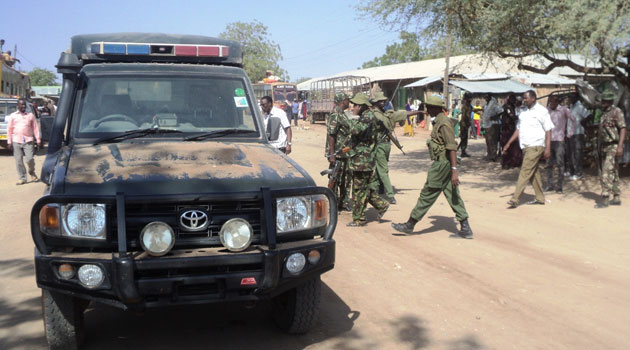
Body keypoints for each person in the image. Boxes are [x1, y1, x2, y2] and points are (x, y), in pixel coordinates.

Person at [391, 96, 473, 239]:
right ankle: (465, 227)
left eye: (429, 107)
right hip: (444, 164)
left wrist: (454, 171)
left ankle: (410, 224)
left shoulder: (443, 124)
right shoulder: (439, 122)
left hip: (442, 165)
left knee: (427, 194)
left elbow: (452, 147)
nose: (427, 110)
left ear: (436, 108)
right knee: (452, 194)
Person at [370, 92, 425, 204]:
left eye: (383, 101)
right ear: (376, 103)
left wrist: (420, 111)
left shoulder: (380, 114)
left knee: (382, 170)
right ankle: (377, 189)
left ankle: (390, 195)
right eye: (380, 101)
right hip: (384, 145)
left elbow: (406, 113)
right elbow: (405, 113)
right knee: (379, 169)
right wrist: (420, 111)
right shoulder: (387, 114)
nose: (383, 103)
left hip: (381, 145)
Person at [344, 92, 389, 227]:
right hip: (362, 158)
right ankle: (381, 205)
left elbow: (354, 130)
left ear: (361, 106)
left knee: (358, 189)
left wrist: (353, 116)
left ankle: (359, 218)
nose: (353, 107)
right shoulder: (366, 115)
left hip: (362, 160)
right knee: (364, 187)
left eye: (356, 105)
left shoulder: (367, 117)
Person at [504, 90, 553, 208]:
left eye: (526, 98)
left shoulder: (542, 111)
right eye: (523, 98)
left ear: (533, 98)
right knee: (533, 173)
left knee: (525, 171)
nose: (524, 100)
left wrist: (548, 148)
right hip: (525, 146)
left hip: (536, 146)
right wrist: (509, 143)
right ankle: (540, 198)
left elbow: (548, 130)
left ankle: (515, 198)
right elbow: (518, 129)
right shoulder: (523, 112)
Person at [594, 90, 626, 208]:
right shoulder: (604, 114)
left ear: (609, 101)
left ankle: (605, 197)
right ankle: (616, 196)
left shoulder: (616, 112)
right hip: (604, 146)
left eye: (604, 100)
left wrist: (620, 146)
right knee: (612, 171)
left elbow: (623, 128)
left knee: (607, 171)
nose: (602, 102)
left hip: (613, 145)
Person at [326, 92, 353, 211]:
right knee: (335, 179)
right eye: (348, 100)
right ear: (343, 101)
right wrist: (332, 154)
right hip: (337, 153)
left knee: (346, 178)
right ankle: (333, 203)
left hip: (345, 152)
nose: (349, 102)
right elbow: (331, 135)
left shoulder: (343, 114)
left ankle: (344, 202)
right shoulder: (336, 114)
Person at [544, 95, 575, 193]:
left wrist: (570, 134)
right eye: (550, 102)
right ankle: (550, 185)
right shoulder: (546, 111)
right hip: (548, 141)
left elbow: (573, 120)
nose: (552, 104)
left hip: (559, 140)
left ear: (557, 102)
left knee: (560, 164)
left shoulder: (564, 110)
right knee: (549, 164)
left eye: (554, 102)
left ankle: (559, 186)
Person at [7, 98, 41, 185]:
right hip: (16, 140)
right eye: (21, 104)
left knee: (29, 159)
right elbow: (9, 129)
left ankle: (31, 172)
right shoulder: (13, 116)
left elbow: (35, 128)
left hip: (28, 140)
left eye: (24, 105)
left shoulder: (30, 115)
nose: (23, 106)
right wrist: (9, 141)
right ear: (17, 105)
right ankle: (22, 178)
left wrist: (38, 139)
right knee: (18, 160)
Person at [567, 93, 591, 180]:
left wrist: (583, 122)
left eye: (573, 97)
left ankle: (579, 173)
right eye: (570, 97)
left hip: (578, 133)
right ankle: (572, 172)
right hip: (570, 134)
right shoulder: (571, 106)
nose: (571, 99)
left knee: (577, 154)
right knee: (571, 154)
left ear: (577, 98)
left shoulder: (580, 106)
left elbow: (589, 115)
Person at [500, 94, 522, 169]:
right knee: (506, 146)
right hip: (506, 129)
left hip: (511, 129)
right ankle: (505, 163)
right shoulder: (508, 107)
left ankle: (512, 162)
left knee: (513, 146)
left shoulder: (513, 107)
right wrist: (521, 117)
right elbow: (511, 116)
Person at [482, 94, 502, 161]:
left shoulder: (493, 104)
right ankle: (489, 154)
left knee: (493, 141)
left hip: (493, 125)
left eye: (486, 97)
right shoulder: (487, 105)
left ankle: (493, 156)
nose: (485, 98)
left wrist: (495, 117)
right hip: (487, 125)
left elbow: (501, 111)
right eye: (485, 97)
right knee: (488, 141)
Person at [459, 93, 473, 157]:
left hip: (467, 124)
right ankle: (462, 151)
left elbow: (472, 111)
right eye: (470, 98)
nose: (471, 99)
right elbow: (464, 116)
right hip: (464, 124)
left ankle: (464, 151)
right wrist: (465, 124)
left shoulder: (469, 105)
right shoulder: (465, 106)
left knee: (465, 138)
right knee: (463, 138)